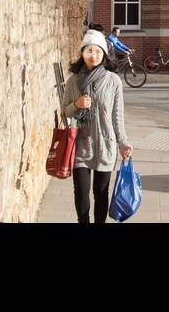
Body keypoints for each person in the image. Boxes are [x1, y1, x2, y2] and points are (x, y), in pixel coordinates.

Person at [61, 29, 133, 223]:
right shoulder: (73, 81)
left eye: (98, 51)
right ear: (82, 52)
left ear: (104, 54)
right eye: (90, 50)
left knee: (101, 194)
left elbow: (117, 115)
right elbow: (64, 112)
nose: (94, 55)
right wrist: (76, 105)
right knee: (81, 192)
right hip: (81, 145)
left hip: (105, 144)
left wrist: (123, 142)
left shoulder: (113, 81)